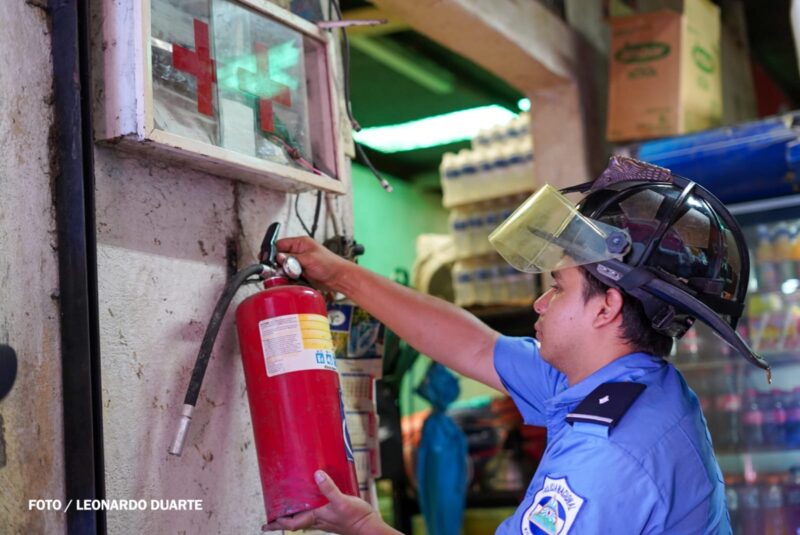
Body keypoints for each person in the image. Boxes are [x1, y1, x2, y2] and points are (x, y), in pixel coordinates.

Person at [264, 156, 768, 534]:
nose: (539, 304)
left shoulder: (605, 459)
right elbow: (474, 347)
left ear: (606, 308)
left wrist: (361, 527)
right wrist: (340, 275)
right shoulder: (627, 383)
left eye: (558, 287)